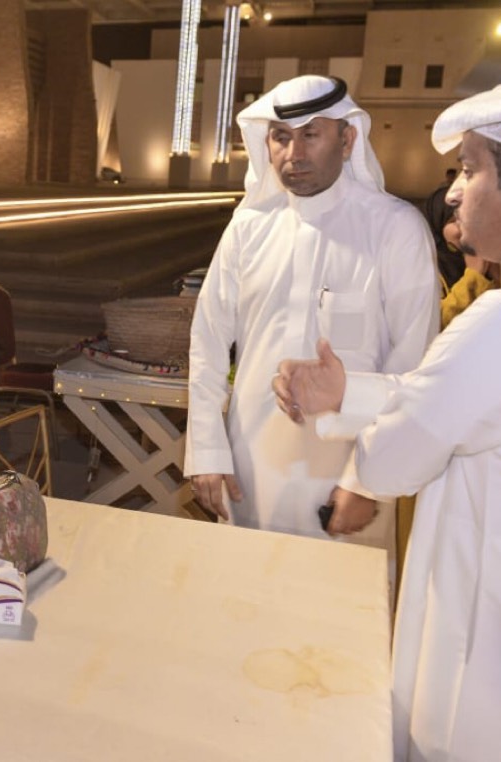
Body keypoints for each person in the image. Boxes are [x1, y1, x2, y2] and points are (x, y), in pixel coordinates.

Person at [273, 81, 501, 761]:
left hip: (484, 657)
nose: (454, 193)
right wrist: (348, 391)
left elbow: (396, 456)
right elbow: (457, 403)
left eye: (469, 169)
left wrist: (351, 412)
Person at [183, 75, 438, 566]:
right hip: (248, 471)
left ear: (347, 139)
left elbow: (415, 365)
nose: (293, 153)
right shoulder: (248, 226)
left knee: (339, 610)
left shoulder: (395, 229)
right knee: (240, 595)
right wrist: (208, 452)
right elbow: (208, 340)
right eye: (281, 137)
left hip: (342, 486)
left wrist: (365, 482)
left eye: (311, 135)